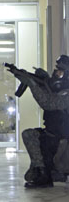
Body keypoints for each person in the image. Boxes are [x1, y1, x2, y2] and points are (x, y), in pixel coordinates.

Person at [15, 55, 69, 188]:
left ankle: (53, 173)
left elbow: (49, 103)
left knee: (50, 142)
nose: (56, 73)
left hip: (64, 142)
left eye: (60, 71)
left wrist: (32, 84)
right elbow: (49, 91)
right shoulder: (58, 88)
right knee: (30, 134)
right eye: (56, 70)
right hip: (54, 136)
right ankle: (43, 171)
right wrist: (32, 78)